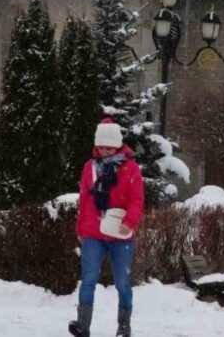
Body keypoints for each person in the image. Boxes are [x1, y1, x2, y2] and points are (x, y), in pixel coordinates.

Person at [69, 118, 144, 337]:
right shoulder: (90, 168)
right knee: (88, 279)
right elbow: (84, 200)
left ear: (118, 145)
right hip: (93, 232)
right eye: (101, 147)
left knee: (122, 283)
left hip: (121, 235)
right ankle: (83, 325)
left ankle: (123, 326)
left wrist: (129, 222)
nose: (104, 151)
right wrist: (80, 229)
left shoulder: (130, 169)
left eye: (109, 147)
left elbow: (137, 200)